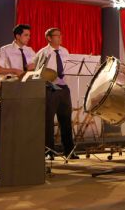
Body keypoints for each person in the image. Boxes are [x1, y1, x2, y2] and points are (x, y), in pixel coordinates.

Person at [33, 28, 77, 160]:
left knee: (66, 120)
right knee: (48, 121)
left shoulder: (65, 51)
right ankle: (49, 151)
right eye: (57, 35)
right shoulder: (43, 52)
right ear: (49, 38)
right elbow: (37, 72)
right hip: (50, 89)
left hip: (64, 88)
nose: (60, 37)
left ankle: (69, 151)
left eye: (60, 35)